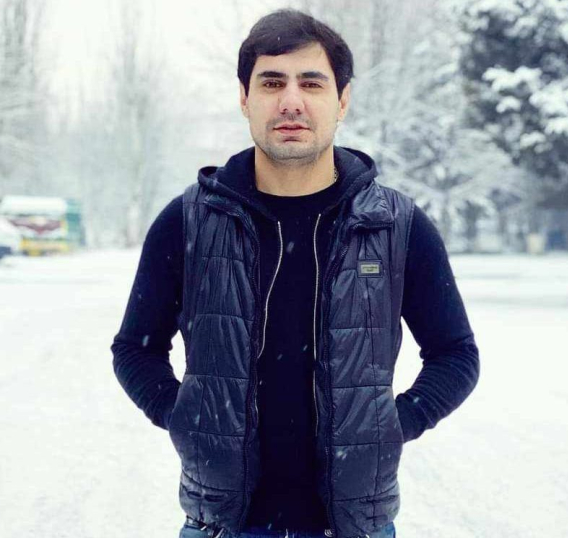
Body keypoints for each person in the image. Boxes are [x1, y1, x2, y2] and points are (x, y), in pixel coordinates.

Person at [111, 8, 480, 538]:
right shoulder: (189, 220)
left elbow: (456, 354)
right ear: (245, 98)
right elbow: (135, 348)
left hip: (355, 527)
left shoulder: (395, 225)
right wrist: (186, 418)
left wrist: (392, 427)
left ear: (342, 100)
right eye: (271, 82)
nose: (291, 101)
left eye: (311, 82)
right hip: (221, 525)